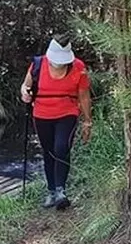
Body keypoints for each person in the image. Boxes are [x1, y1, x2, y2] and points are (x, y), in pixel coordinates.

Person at [20, 34, 92, 209]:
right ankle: (51, 191)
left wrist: (87, 121)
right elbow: (25, 85)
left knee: (62, 147)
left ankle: (61, 191)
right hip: (41, 114)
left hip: (67, 113)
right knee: (48, 151)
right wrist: (25, 93)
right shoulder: (38, 64)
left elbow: (84, 95)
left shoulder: (78, 68)